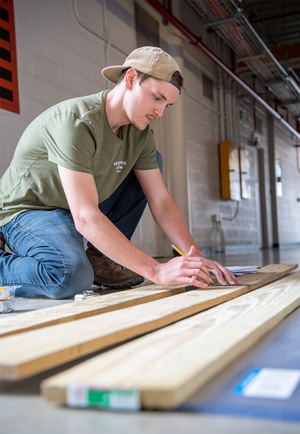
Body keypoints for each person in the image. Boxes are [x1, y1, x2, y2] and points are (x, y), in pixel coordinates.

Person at [0, 46, 239, 299]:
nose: (159, 112)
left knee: (151, 162)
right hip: (27, 210)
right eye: (157, 98)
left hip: (71, 208)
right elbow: (85, 216)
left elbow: (161, 201)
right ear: (131, 79)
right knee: (69, 276)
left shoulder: (140, 135)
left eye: (166, 105)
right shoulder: (76, 122)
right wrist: (156, 271)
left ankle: (101, 258)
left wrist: (197, 259)